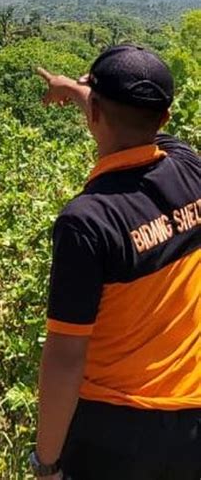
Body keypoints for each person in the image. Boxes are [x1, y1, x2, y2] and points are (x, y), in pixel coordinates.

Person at [29, 45, 200, 480]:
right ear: (164, 118)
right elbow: (132, 121)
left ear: (95, 115)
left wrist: (46, 461)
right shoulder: (190, 168)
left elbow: (66, 356)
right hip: (192, 419)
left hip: (113, 433)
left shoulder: (87, 221)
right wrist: (74, 90)